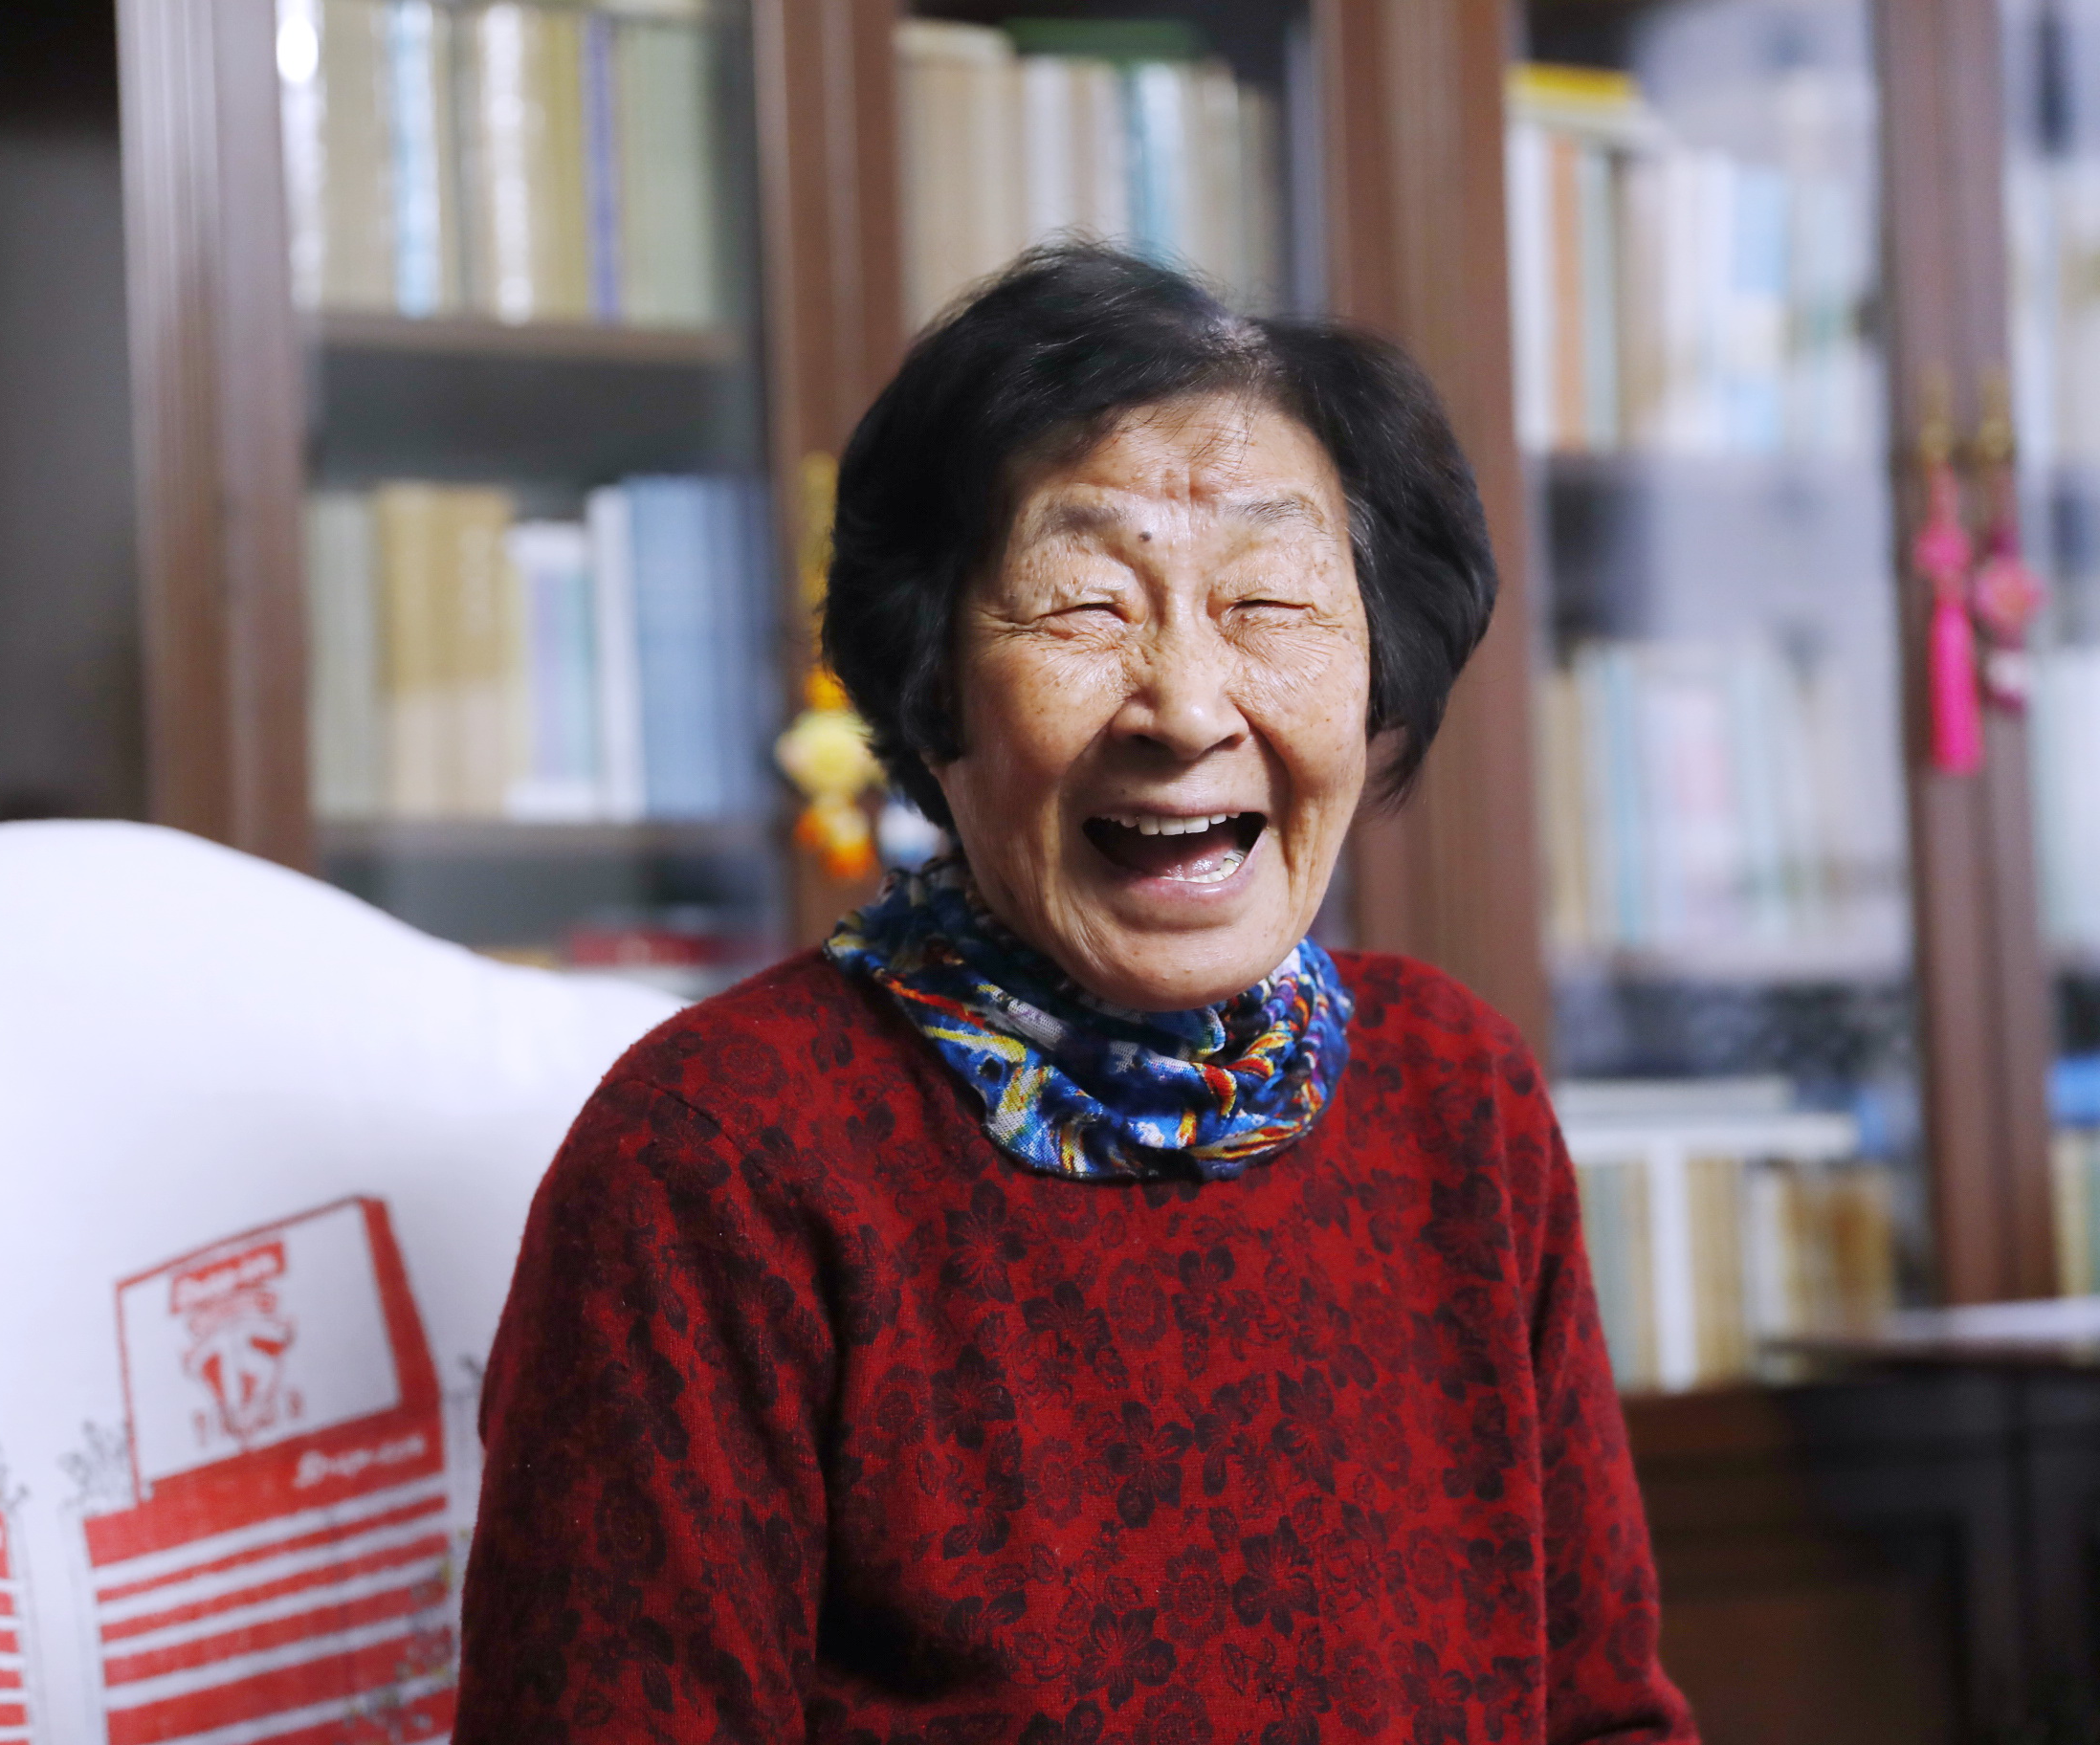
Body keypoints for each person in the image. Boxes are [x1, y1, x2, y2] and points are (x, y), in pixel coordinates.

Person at [455, 245, 1695, 1744]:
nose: (1187, 707)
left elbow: (1602, 1714)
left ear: (1382, 677)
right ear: (931, 687)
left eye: (1269, 602)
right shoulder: (720, 1157)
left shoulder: (1455, 1096)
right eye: (1085, 607)